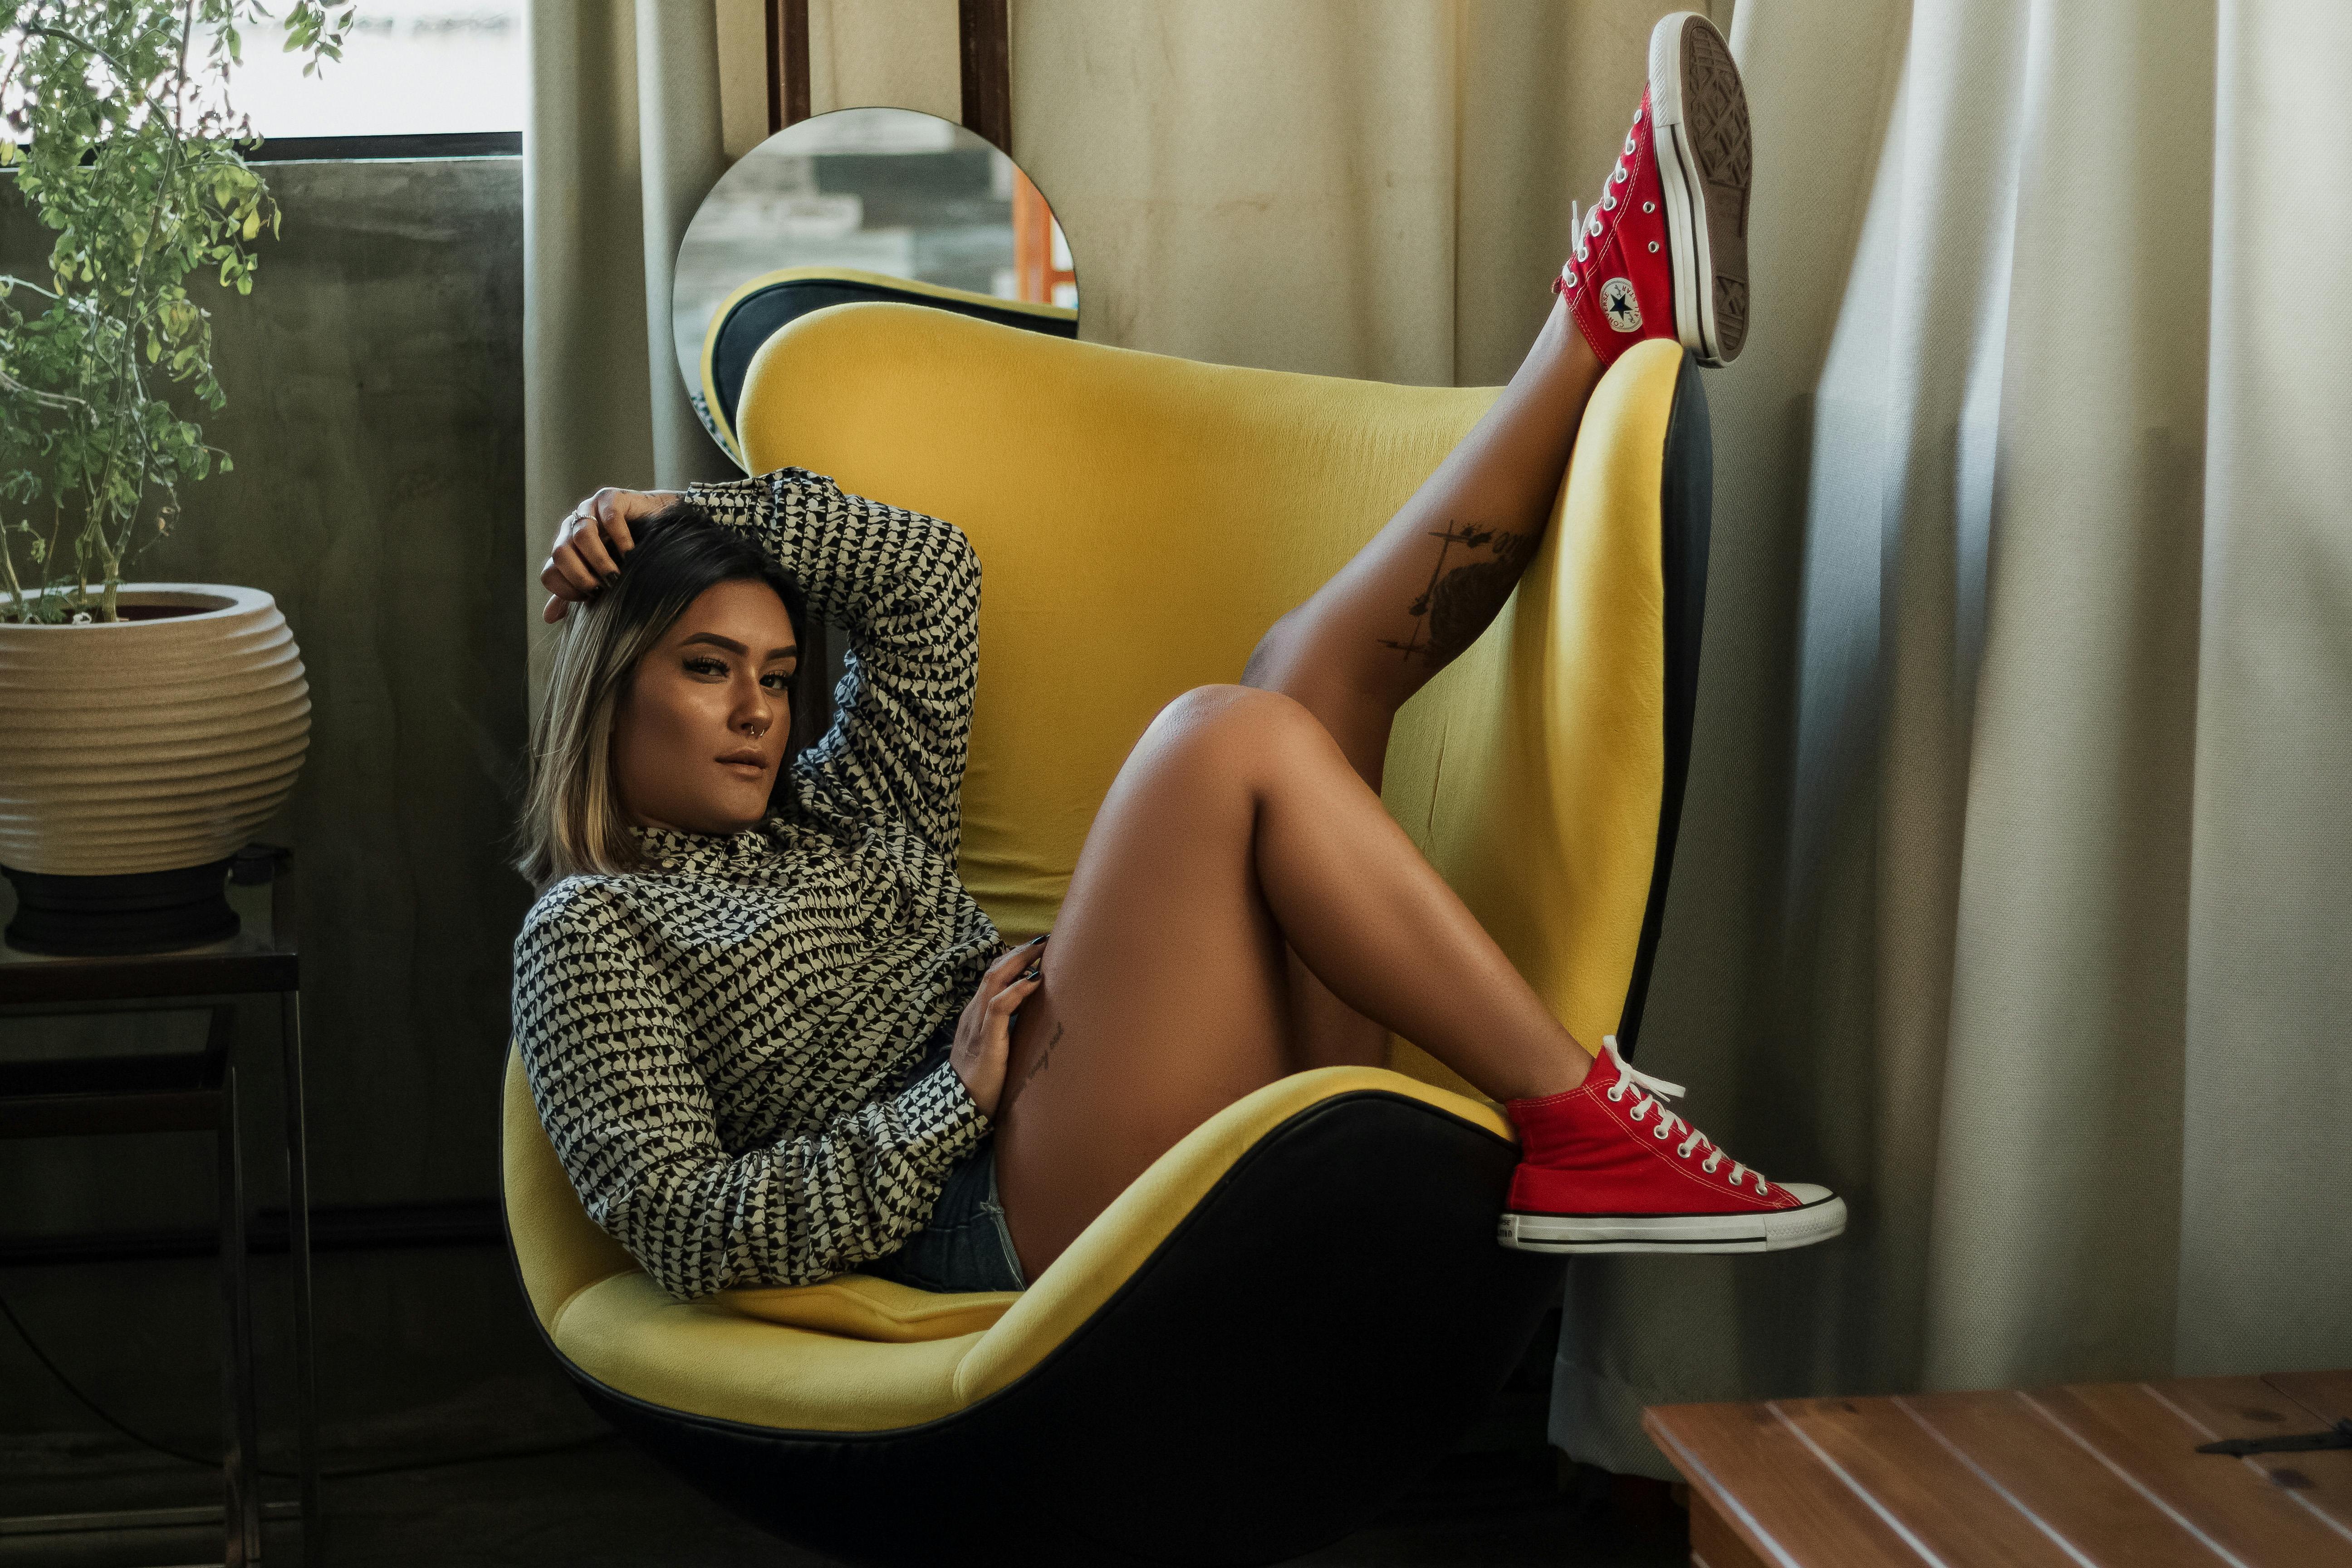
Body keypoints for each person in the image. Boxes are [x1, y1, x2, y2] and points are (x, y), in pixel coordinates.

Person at [512, 11, 1842, 1303]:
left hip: (1099, 1097)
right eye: (706, 669)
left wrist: (692, 510)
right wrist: (940, 1105)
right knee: (1226, 737)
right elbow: (680, 1226)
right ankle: (1577, 1120)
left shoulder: (853, 813)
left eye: (777, 672)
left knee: (1309, 671)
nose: (758, 710)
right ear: (611, 686)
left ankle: (1599, 318)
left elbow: (926, 578)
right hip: (993, 1191)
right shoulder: (589, 935)